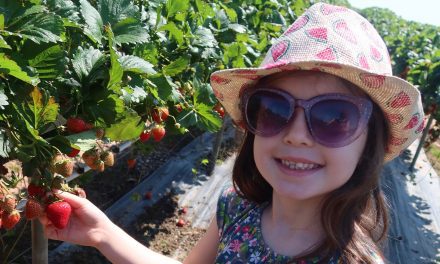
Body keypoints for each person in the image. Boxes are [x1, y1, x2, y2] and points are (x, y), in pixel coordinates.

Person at [39, 3, 424, 263]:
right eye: (274, 110)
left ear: (368, 143)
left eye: (334, 117)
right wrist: (102, 233)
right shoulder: (235, 208)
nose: (297, 135)